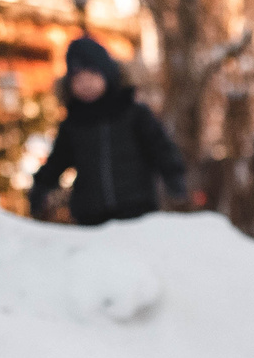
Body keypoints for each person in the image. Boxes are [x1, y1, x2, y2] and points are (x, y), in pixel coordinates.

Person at [26, 37, 188, 226]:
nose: (85, 84)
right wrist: (41, 186)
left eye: (92, 76)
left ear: (107, 74)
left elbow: (160, 147)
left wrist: (174, 177)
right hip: (91, 215)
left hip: (137, 209)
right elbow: (57, 160)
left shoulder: (133, 113)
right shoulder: (74, 123)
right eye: (78, 79)